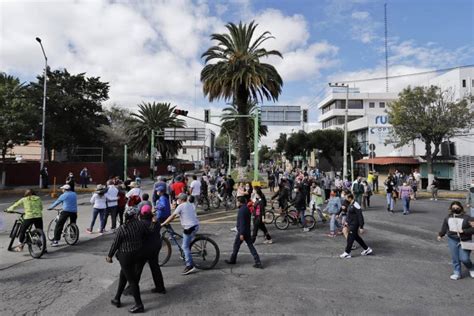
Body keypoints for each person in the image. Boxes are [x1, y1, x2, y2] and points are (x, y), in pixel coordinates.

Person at [107, 208, 148, 313]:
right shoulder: (141, 225)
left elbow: (115, 244)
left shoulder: (122, 228)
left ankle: (139, 305)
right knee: (123, 275)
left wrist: (109, 256)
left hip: (126, 256)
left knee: (132, 281)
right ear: (135, 216)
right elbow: (146, 236)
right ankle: (117, 298)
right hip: (138, 254)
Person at [161, 193, 200, 275]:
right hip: (195, 226)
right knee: (185, 241)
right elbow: (176, 216)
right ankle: (186, 255)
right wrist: (169, 220)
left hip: (189, 227)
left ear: (181, 200)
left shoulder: (181, 206)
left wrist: (163, 223)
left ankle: (189, 266)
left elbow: (172, 216)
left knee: (185, 246)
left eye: (178, 199)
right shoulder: (190, 204)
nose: (177, 200)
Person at [437, 201, 474, 280]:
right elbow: (444, 227)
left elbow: (473, 229)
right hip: (452, 239)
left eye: (457, 208)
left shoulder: (468, 218)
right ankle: (457, 273)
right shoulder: (448, 217)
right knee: (455, 258)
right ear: (451, 209)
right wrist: (441, 235)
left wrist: (464, 231)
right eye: (453, 208)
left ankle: (471, 268)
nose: (455, 209)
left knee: (464, 258)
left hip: (465, 240)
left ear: (461, 208)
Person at [225, 196, 263, 268]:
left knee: (236, 245)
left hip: (242, 231)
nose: (236, 203)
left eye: (237, 202)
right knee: (250, 246)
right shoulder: (246, 208)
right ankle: (257, 261)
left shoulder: (242, 210)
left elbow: (242, 223)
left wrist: (241, 234)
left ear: (240, 202)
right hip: (247, 230)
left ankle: (233, 260)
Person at [136, 206, 166, 294]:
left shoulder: (141, 224)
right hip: (156, 247)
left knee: (138, 268)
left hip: (145, 249)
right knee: (155, 267)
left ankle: (132, 288)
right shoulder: (156, 222)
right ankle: (160, 287)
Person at [339, 193, 373, 259]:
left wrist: (361, 227)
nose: (345, 199)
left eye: (346, 198)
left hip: (355, 224)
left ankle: (347, 253)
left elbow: (360, 216)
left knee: (350, 238)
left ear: (350, 198)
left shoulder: (356, 205)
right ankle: (367, 249)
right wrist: (346, 222)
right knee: (356, 237)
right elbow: (349, 214)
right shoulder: (350, 204)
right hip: (351, 223)